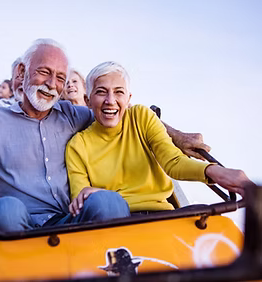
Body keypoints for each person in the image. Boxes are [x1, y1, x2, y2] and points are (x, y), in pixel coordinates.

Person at [0, 39, 218, 234]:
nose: (52, 85)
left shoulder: (72, 114)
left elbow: (121, 112)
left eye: (61, 78)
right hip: (19, 224)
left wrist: (176, 135)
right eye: (44, 73)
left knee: (109, 203)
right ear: (21, 71)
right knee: (4, 209)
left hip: (71, 223)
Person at [65, 61, 252, 216]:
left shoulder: (141, 116)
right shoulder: (77, 145)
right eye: (101, 92)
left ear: (128, 98)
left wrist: (216, 172)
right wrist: (98, 196)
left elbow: (173, 162)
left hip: (161, 217)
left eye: (119, 92)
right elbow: (81, 199)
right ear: (88, 101)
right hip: (115, 223)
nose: (110, 100)